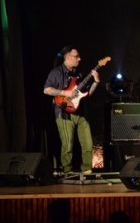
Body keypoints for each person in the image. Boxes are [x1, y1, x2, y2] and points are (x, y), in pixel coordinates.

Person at [43, 46, 100, 175]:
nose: (79, 59)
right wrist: (65, 93)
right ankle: (67, 171)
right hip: (64, 113)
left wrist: (96, 82)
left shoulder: (78, 74)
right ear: (68, 57)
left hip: (80, 113)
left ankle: (87, 170)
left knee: (88, 143)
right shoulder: (56, 72)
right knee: (67, 144)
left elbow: (87, 94)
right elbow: (46, 90)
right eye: (76, 56)